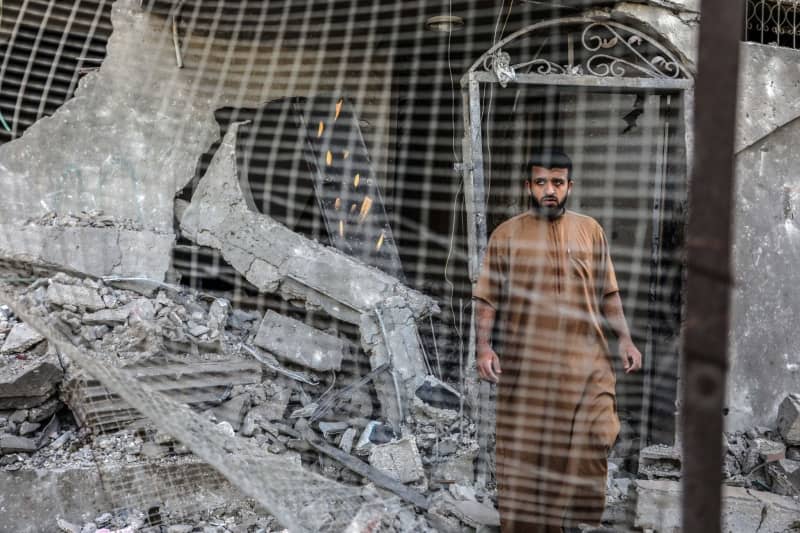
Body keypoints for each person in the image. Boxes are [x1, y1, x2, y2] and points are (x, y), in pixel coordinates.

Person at [473, 150, 642, 532]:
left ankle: (583, 524)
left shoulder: (590, 230)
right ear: (528, 186)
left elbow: (609, 293)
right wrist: (484, 347)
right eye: (541, 182)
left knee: (598, 436)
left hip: (588, 363)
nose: (550, 190)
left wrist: (626, 340)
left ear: (569, 186)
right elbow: (486, 298)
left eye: (557, 183)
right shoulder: (506, 235)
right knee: (529, 456)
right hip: (528, 368)